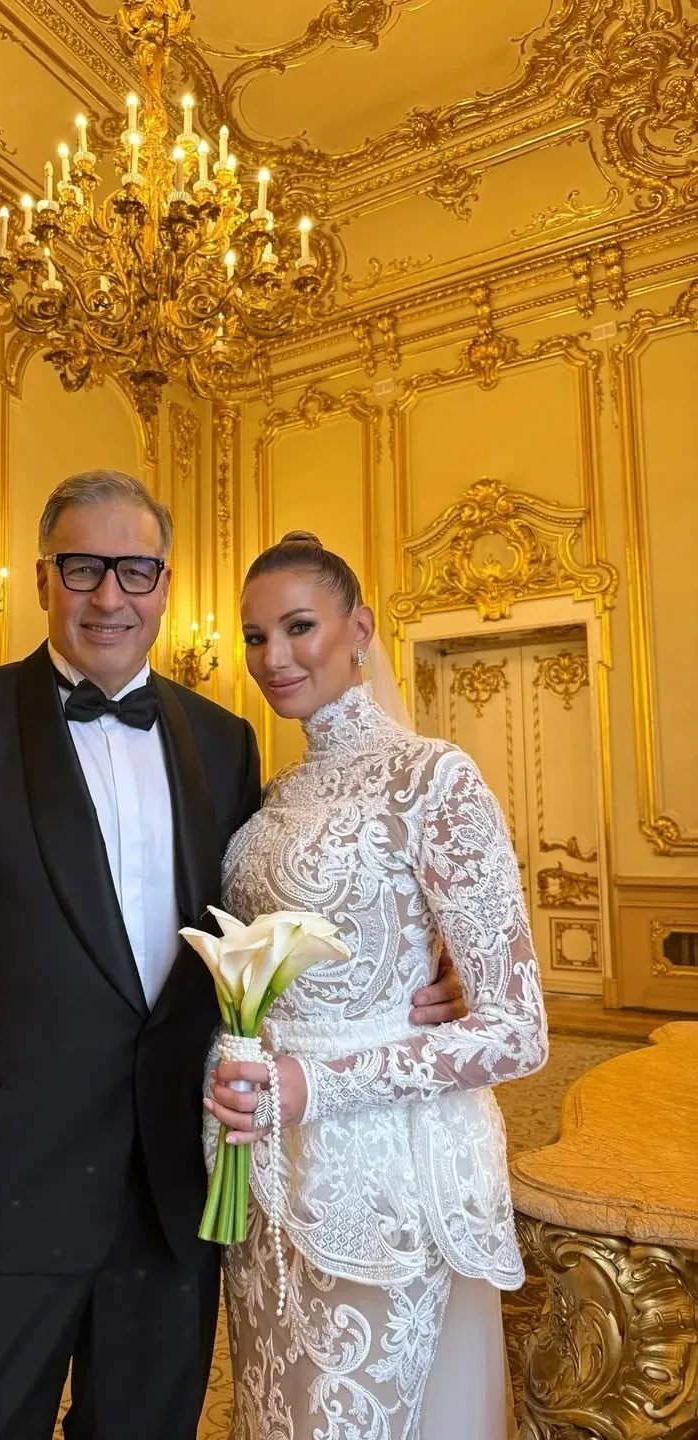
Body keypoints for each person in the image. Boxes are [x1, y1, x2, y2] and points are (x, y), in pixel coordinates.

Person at [0, 475, 466, 1440]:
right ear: (42, 579)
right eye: (82, 567)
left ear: (166, 586)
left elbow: (268, 926)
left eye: (135, 570)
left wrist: (432, 961)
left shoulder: (224, 742)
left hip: (174, 1207)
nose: (109, 595)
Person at [207, 532, 548, 1440]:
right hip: (261, 1160)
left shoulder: (435, 778)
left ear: (358, 629)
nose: (273, 658)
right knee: (276, 1407)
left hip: (383, 1168)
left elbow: (518, 1030)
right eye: (254, 637)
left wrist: (316, 1086)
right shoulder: (274, 792)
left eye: (299, 627)